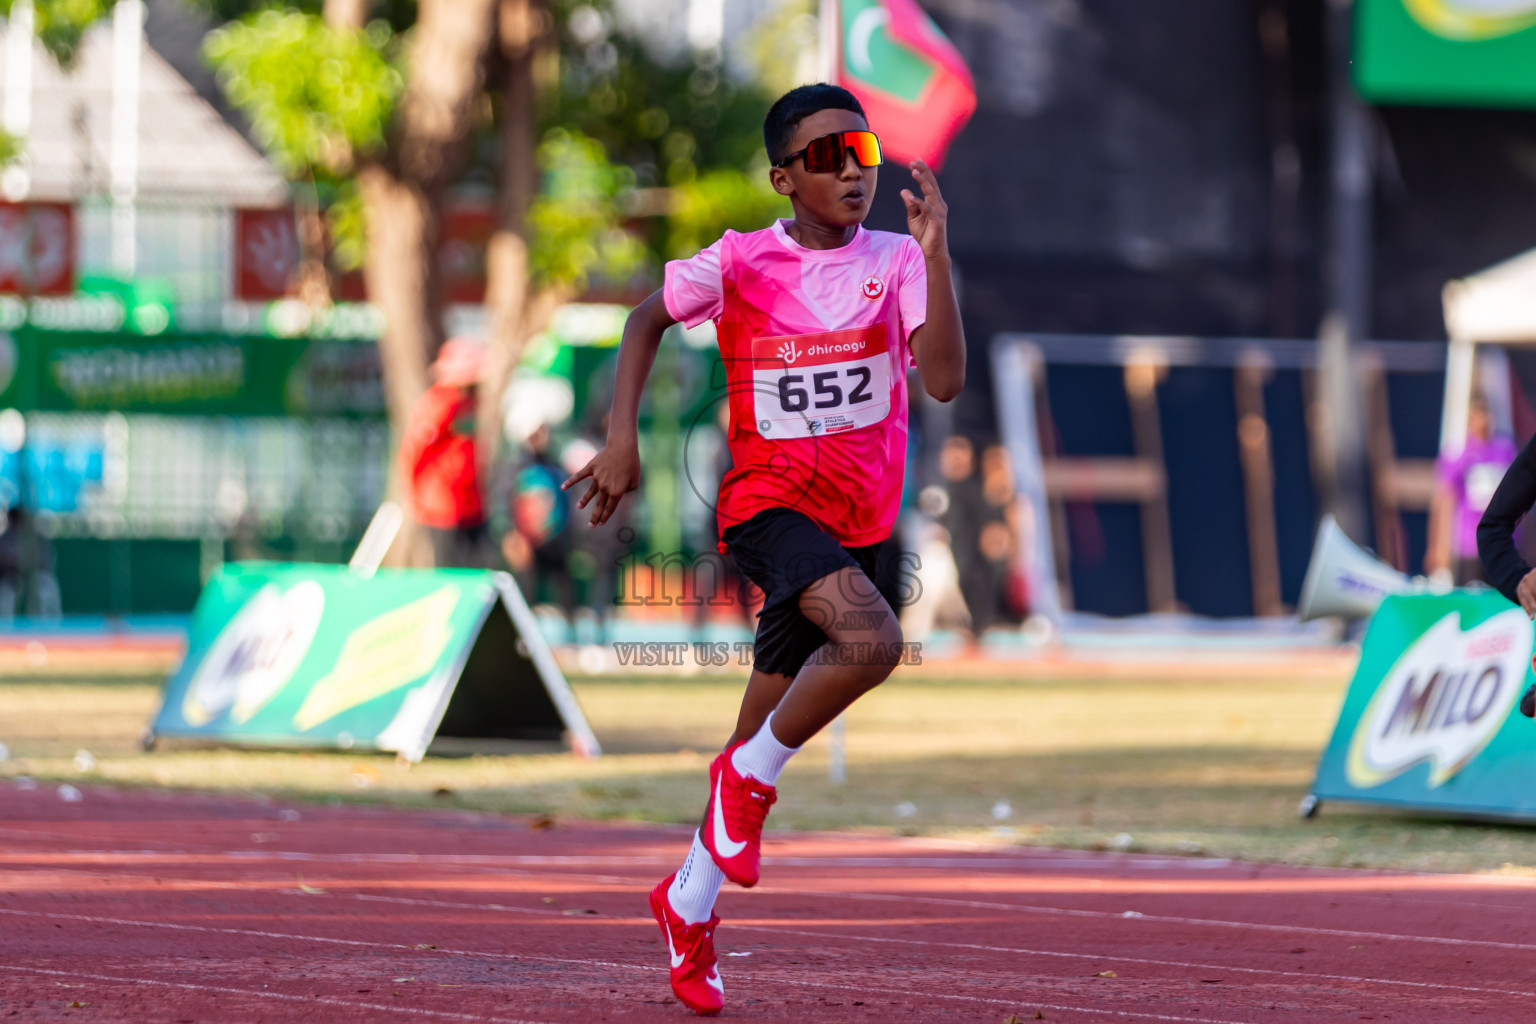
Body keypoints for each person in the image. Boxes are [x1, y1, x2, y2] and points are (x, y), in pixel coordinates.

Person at [562, 83, 965, 1015]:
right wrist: (621, 440)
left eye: (859, 151)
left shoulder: (900, 260)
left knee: (762, 727)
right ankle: (745, 784)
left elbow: (940, 379)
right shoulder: (742, 262)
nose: (849, 171)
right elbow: (642, 320)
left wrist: (939, 261)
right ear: (784, 178)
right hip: (768, 508)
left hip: (859, 524)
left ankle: (689, 900)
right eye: (823, 157)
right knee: (867, 646)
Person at [398, 337, 490, 567]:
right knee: (450, 570)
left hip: (470, 505)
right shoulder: (438, 402)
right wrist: (415, 496)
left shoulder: (469, 402)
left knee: (477, 568)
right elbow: (414, 452)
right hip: (442, 508)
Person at [1428, 394, 1516, 586]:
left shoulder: (1505, 450)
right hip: (1470, 544)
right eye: (1477, 415)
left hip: (1504, 543)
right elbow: (1444, 500)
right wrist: (1438, 547)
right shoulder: (1459, 453)